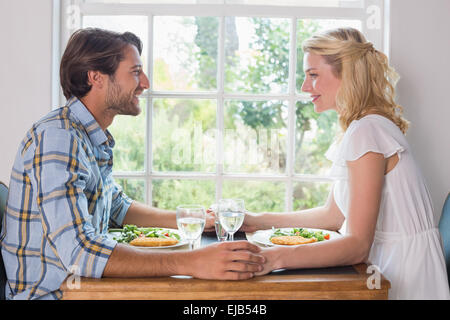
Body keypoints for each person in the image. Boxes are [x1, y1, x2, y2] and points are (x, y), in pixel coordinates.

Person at [0, 28, 264, 300]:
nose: (145, 82)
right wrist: (192, 262)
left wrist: (190, 220)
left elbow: (118, 207)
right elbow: (79, 252)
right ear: (96, 77)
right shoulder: (58, 138)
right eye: (135, 71)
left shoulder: (86, 136)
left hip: (84, 291)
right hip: (54, 295)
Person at [242, 27, 450, 299]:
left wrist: (275, 258)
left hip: (403, 275)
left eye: (313, 75)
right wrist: (256, 221)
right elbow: (332, 216)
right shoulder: (363, 127)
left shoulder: (368, 131)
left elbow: (358, 246)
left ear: (347, 74)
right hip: (384, 268)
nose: (305, 87)